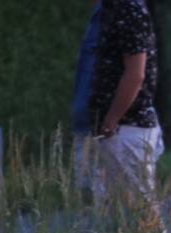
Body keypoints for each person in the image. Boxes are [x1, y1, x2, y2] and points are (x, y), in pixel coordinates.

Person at [90, 0, 164, 222]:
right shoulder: (112, 9)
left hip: (127, 127)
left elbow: (135, 74)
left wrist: (111, 120)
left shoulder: (128, 9)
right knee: (120, 214)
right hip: (119, 127)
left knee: (141, 212)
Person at [71, 1, 102, 195]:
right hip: (87, 118)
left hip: (98, 120)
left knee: (101, 192)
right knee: (88, 192)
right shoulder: (99, 14)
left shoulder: (112, 14)